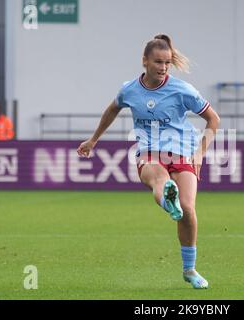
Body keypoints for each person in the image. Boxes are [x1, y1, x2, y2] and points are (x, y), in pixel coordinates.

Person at [77, 34, 220, 289]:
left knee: (188, 210)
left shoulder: (182, 89)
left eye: (167, 63)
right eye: (158, 62)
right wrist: (93, 140)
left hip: (183, 152)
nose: (163, 67)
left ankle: (189, 270)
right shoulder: (130, 90)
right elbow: (112, 109)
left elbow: (213, 119)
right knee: (159, 179)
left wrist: (199, 153)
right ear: (144, 61)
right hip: (150, 150)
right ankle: (168, 196)